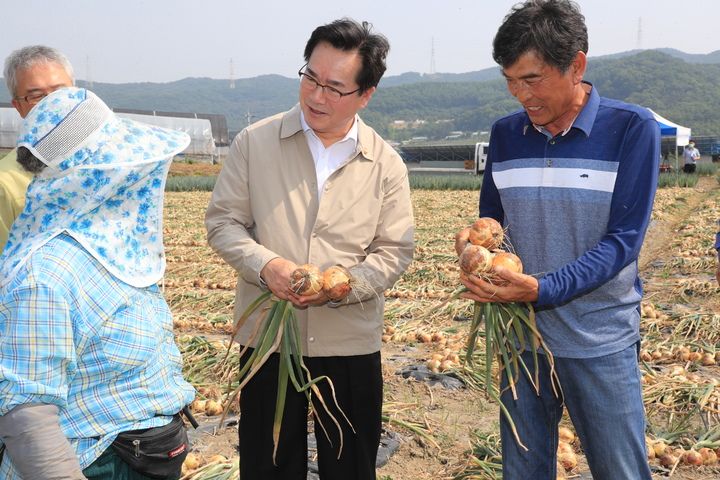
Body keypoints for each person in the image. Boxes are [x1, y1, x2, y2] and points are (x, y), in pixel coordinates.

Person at [454, 1, 659, 479]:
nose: (520, 94)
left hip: (599, 338)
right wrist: (474, 241)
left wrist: (542, 289)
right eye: (510, 80)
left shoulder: (631, 128)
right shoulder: (505, 133)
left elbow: (623, 242)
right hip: (520, 335)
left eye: (533, 79)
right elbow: (495, 221)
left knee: (620, 470)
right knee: (524, 469)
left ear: (577, 65)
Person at [205, 18, 414, 480]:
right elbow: (223, 223)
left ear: (366, 94)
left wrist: (345, 286)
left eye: (335, 88)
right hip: (268, 340)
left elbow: (394, 251)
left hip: (350, 341)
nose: (316, 96)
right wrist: (268, 266)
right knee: (268, 464)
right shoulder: (254, 143)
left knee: (351, 466)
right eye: (310, 79)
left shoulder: (385, 163)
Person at [0, 87, 196, 480]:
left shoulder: (110, 245)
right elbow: (27, 417)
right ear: (97, 177)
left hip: (143, 452)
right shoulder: (45, 276)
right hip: (98, 461)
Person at [1, 45, 75, 252]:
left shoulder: (112, 159)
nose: (53, 103)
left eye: (61, 92)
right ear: (19, 107)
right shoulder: (5, 183)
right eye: (36, 96)